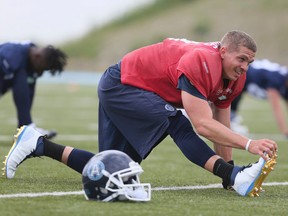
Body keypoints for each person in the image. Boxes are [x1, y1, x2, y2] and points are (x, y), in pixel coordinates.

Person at [3, 31, 278, 199]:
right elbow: (202, 125)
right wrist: (245, 151)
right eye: (241, 59)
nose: (244, 66)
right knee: (177, 123)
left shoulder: (235, 77)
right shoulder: (202, 61)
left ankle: (37, 144)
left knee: (113, 169)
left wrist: (227, 182)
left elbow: (221, 121)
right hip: (121, 83)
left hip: (135, 87)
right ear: (222, 50)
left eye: (249, 61)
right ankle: (232, 175)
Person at [0, 41, 67, 139]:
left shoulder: (31, 63)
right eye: (41, 68)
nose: (41, 72)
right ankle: (26, 126)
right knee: (21, 75)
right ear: (37, 56)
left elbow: (27, 95)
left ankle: (25, 127)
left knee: (27, 80)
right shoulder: (11, 53)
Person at [230, 59, 288, 137]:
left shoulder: (283, 80)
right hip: (244, 73)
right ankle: (230, 121)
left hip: (250, 78)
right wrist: (285, 130)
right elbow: (276, 108)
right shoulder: (276, 79)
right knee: (231, 96)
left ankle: (231, 119)